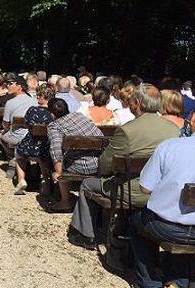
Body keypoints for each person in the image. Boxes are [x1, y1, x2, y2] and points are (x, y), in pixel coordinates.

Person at [68, 84, 179, 249]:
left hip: (132, 190)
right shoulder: (172, 129)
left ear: (138, 103)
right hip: (161, 189)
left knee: (86, 184)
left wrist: (103, 173)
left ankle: (85, 234)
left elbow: (106, 163)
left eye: (133, 101)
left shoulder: (127, 130)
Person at [130, 134, 195, 288]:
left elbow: (145, 188)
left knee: (136, 221)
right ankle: (177, 281)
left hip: (167, 227)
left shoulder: (170, 146)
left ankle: (149, 282)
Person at [46, 98, 102, 212]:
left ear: (52, 114)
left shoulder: (54, 126)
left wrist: (58, 172)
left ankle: (65, 201)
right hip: (99, 162)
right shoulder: (80, 116)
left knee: (58, 164)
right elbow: (99, 134)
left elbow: (55, 150)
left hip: (82, 166)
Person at [14, 83, 56, 195]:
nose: (37, 97)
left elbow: (26, 125)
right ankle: (45, 180)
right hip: (47, 146)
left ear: (42, 96)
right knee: (42, 156)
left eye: (38, 95)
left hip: (30, 145)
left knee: (18, 154)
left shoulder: (32, 110)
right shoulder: (54, 112)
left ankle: (21, 179)